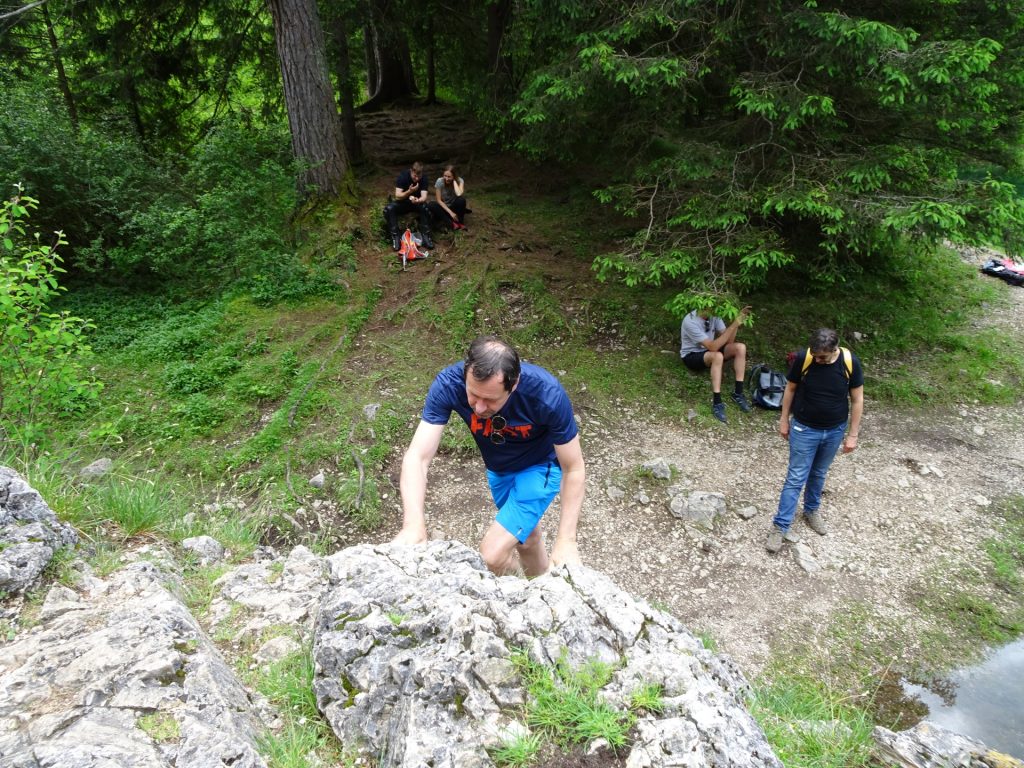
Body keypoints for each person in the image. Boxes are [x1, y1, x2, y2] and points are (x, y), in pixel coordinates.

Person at [393, 335, 585, 577]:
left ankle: (527, 592)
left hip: (540, 467)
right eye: (473, 395)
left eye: (491, 399)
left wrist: (566, 541)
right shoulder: (448, 384)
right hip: (499, 471)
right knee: (526, 538)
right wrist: (413, 526)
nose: (480, 408)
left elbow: (574, 468)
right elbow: (417, 457)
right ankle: (545, 584)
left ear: (513, 385)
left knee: (492, 555)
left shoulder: (546, 394)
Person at [765, 328, 864, 553]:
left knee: (819, 473)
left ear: (835, 350)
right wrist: (783, 419)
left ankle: (811, 510)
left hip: (834, 430)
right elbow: (790, 388)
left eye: (823, 357)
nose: (818, 360)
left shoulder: (849, 362)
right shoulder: (804, 358)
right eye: (815, 355)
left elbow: (857, 399)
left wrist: (853, 434)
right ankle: (780, 527)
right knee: (796, 477)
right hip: (803, 428)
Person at [680, 306, 752, 423]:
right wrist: (734, 324)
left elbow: (729, 342)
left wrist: (736, 324)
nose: (713, 307)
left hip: (710, 351)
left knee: (740, 348)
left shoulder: (714, 315)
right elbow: (713, 347)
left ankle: (738, 393)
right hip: (691, 356)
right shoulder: (690, 321)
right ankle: (717, 402)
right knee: (717, 356)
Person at [383, 161, 434, 252]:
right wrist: (409, 192)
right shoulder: (403, 176)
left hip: (416, 204)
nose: (417, 178)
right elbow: (398, 195)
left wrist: (418, 200)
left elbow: (424, 197)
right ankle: (396, 237)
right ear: (411, 171)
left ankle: (426, 236)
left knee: (426, 208)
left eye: (419, 176)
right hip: (403, 203)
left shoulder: (424, 179)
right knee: (389, 209)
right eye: (415, 176)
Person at [428, 164, 469, 230]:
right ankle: (451, 223)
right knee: (431, 204)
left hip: (454, 207)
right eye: (445, 176)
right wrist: (451, 213)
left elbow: (459, 194)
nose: (446, 178)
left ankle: (460, 223)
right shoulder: (439, 181)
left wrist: (455, 182)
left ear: (454, 176)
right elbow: (438, 200)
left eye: (449, 177)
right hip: (445, 208)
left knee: (461, 200)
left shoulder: (460, 181)